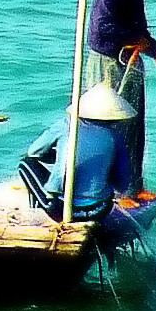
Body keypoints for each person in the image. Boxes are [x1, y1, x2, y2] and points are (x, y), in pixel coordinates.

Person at [85, 0, 156, 192]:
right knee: (113, 124)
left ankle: (132, 185)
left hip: (129, 64)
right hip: (109, 65)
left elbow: (140, 32)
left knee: (134, 124)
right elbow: (102, 29)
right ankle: (113, 189)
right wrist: (135, 40)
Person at [17, 82, 136, 222]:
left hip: (64, 210)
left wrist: (56, 156)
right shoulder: (115, 137)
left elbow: (34, 152)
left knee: (25, 163)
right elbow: (122, 183)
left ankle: (36, 207)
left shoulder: (66, 125)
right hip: (100, 209)